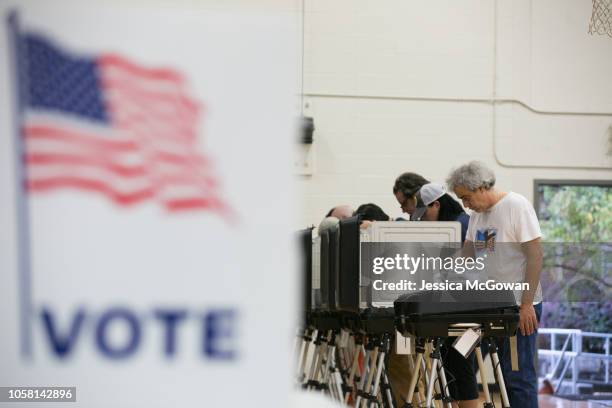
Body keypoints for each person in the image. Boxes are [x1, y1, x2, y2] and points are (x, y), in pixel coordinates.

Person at [447, 161, 543, 408]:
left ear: (480, 187)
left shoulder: (515, 205)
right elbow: (469, 254)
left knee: (517, 376)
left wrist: (526, 305)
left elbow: (535, 256)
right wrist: (436, 269)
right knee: (460, 353)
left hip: (518, 304)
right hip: (490, 304)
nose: (465, 205)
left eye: (466, 198)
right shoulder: (478, 215)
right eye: (461, 200)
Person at [416, 183, 479, 408]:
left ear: (436, 205)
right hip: (462, 308)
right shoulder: (459, 224)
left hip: (470, 310)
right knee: (455, 366)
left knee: (460, 365)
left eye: (424, 214)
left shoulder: (459, 226)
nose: (423, 220)